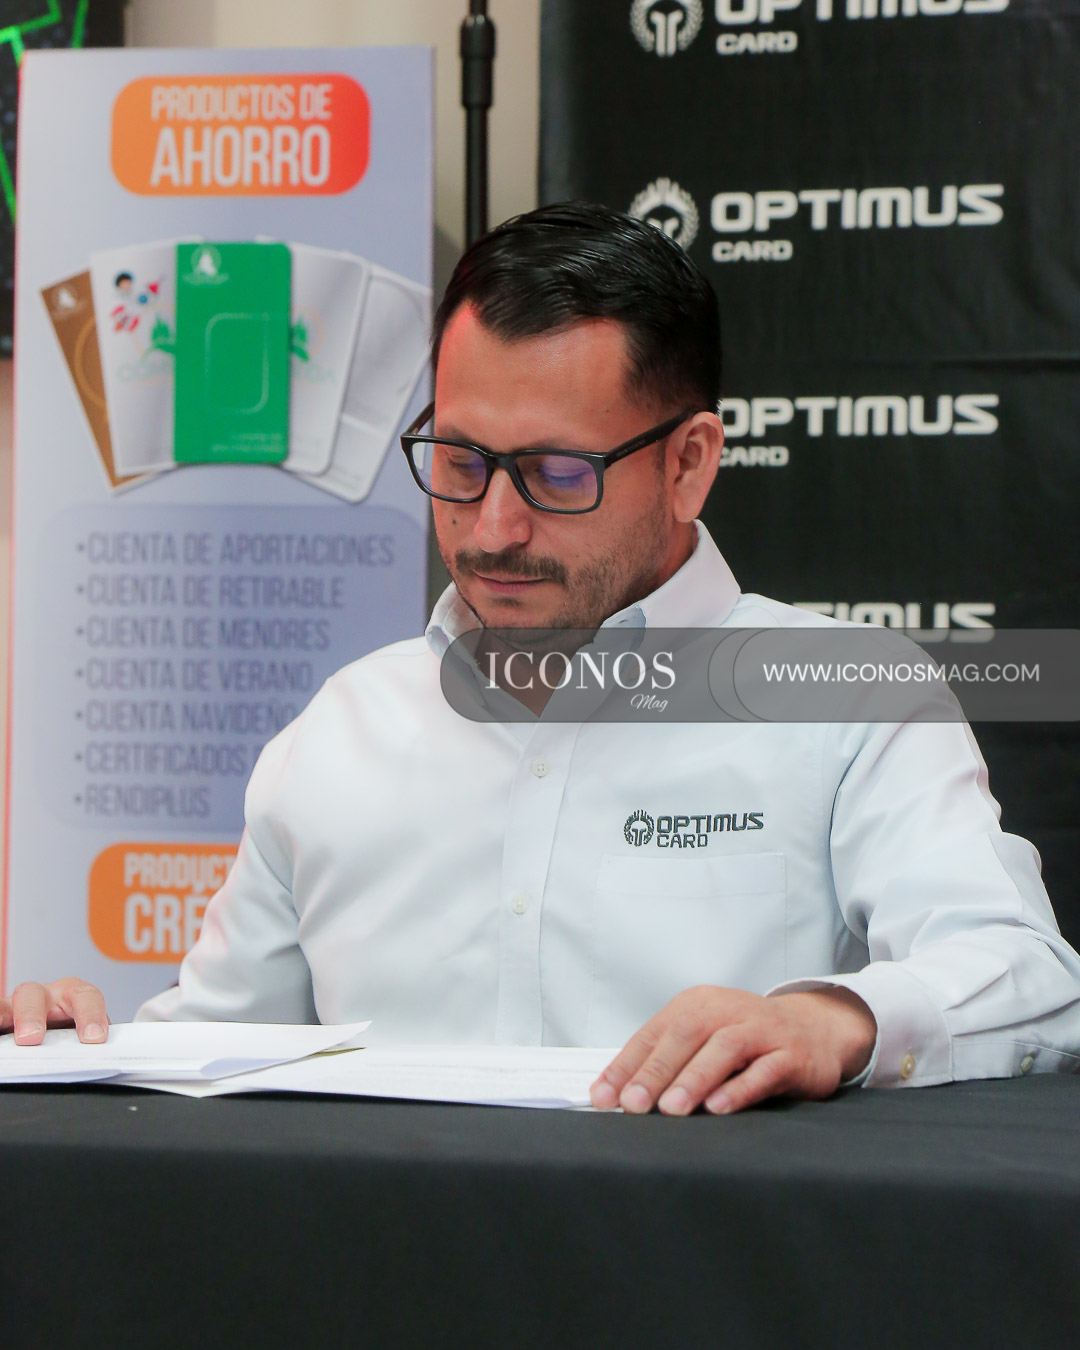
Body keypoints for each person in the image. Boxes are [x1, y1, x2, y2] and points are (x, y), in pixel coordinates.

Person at [4, 203, 1079, 1115]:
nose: (493, 528)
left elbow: (1028, 978)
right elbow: (207, 1058)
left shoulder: (847, 701)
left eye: (558, 475)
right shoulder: (342, 728)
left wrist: (831, 1020)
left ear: (690, 464)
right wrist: (74, 1050)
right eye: (460, 462)